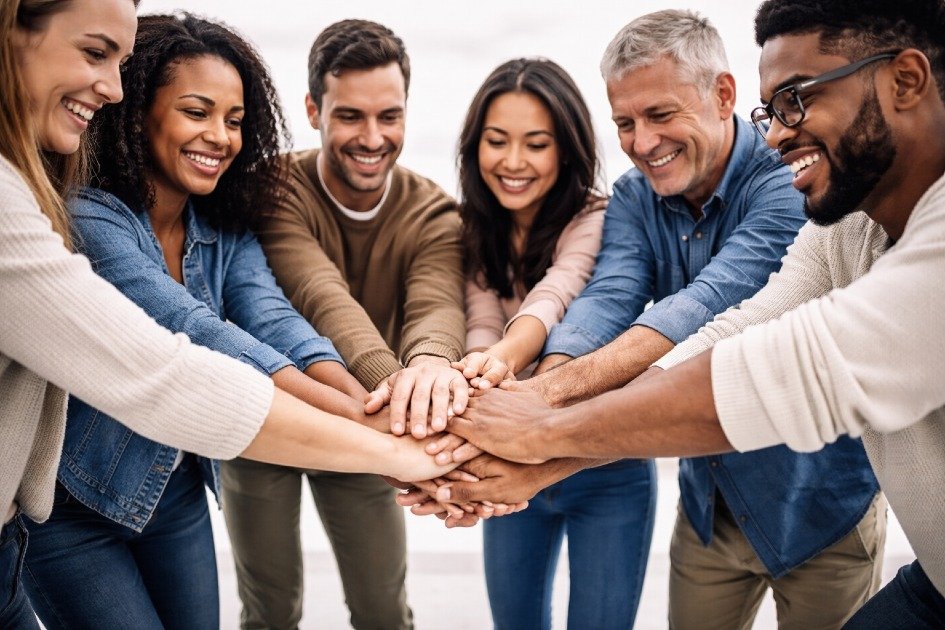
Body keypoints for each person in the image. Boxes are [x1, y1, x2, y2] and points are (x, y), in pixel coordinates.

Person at [445, 0, 945, 627]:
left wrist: (537, 428)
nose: (778, 133)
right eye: (624, 122)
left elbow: (758, 342)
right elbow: (699, 324)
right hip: (721, 512)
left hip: (820, 510)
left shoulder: (794, 186)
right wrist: (540, 419)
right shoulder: (838, 224)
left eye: (797, 99)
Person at [0, 2, 454, 627]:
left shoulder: (219, 229)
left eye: (235, 120)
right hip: (74, 505)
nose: (221, 136)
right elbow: (196, 333)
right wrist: (383, 436)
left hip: (173, 489)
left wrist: (372, 405)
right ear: (137, 110)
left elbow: (277, 323)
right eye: (196, 112)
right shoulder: (92, 219)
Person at [222, 19, 467, 629]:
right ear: (314, 109)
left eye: (390, 116)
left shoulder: (434, 211)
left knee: (383, 609)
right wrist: (396, 404)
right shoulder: (273, 188)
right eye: (351, 115)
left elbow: (435, 307)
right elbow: (321, 295)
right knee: (269, 610)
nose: (373, 136)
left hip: (365, 423)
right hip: (272, 415)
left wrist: (430, 373)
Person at [453, 57, 636, 629]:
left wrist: (497, 365)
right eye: (497, 141)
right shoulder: (474, 228)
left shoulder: (597, 217)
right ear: (474, 146)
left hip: (601, 466)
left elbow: (556, 295)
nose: (513, 163)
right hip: (508, 455)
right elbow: (481, 320)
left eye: (535, 144)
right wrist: (478, 366)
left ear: (567, 148)